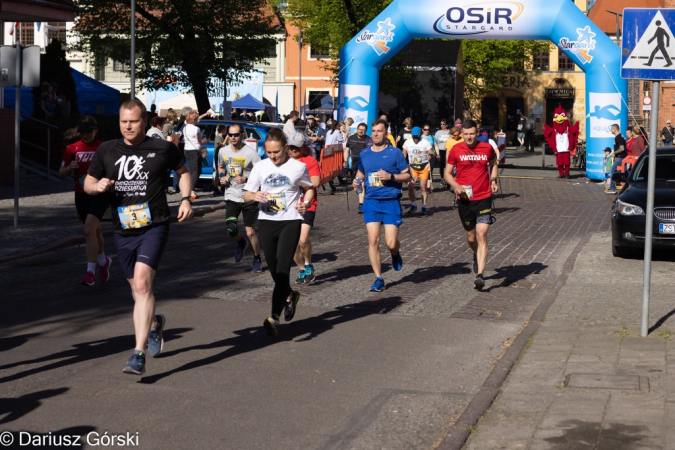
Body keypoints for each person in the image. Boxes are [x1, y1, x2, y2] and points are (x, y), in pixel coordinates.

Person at [84, 99, 194, 375]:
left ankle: (137, 354)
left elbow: (183, 172)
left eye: (133, 121)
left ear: (144, 121)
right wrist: (96, 186)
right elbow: (87, 181)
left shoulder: (163, 148)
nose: (128, 126)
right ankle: (155, 323)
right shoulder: (107, 149)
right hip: (123, 229)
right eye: (123, 121)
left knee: (143, 285)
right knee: (137, 290)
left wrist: (184, 200)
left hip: (154, 225)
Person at [243, 129, 314, 336]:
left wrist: (306, 203)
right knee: (274, 270)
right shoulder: (260, 167)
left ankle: (274, 317)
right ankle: (291, 295)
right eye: (269, 152)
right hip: (266, 222)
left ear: (286, 149)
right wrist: (255, 196)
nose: (273, 156)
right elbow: (247, 195)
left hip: (290, 221)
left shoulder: (298, 167)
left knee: (283, 268)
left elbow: (309, 188)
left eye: (277, 152)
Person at [352, 119, 410, 292]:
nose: (376, 134)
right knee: (373, 239)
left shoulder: (395, 153)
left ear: (386, 134)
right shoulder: (365, 154)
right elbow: (361, 173)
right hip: (371, 201)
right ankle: (378, 277)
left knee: (391, 243)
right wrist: (356, 182)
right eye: (374, 131)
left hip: (391, 201)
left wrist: (391, 177)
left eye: (379, 131)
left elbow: (407, 176)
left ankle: (394, 253)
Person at [444, 119, 499, 291]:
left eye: (472, 134)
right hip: (465, 198)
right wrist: (455, 185)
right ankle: (476, 254)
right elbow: (446, 173)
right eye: (466, 134)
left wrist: (494, 180)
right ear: (462, 134)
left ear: (478, 133)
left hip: (484, 196)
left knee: (482, 234)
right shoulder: (456, 149)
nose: (469, 137)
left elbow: (494, 164)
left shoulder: (486, 147)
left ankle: (480, 275)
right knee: (471, 237)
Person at [59, 116, 111, 286]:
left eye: (89, 132)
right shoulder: (72, 148)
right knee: (94, 231)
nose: (85, 135)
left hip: (100, 192)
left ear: (96, 130)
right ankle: (104, 262)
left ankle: (90, 272)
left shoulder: (104, 147)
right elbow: (61, 173)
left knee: (89, 229)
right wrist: (68, 168)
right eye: (82, 132)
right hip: (81, 193)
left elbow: (114, 169)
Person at [217, 123, 263, 271]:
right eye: (230, 135)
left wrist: (246, 179)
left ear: (242, 135)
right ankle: (241, 243)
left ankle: (257, 258)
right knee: (231, 228)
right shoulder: (223, 151)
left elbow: (261, 173)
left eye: (236, 135)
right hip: (231, 194)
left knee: (251, 232)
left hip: (248, 195)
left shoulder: (251, 154)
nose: (232, 138)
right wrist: (222, 177)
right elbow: (221, 167)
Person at [287, 133, 321, 283]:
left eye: (297, 147)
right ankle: (301, 268)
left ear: (304, 147)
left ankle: (308, 265)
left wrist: (294, 181)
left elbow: (315, 182)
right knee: (292, 243)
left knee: (303, 239)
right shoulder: (284, 162)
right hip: (289, 205)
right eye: (291, 146)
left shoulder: (310, 161)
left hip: (308, 204)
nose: (293, 150)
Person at [403, 126, 434, 215]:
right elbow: (403, 154)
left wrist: (430, 156)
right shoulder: (407, 142)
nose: (415, 138)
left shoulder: (425, 142)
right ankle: (413, 205)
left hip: (423, 167)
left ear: (420, 135)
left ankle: (424, 206)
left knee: (423, 186)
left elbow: (432, 153)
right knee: (410, 186)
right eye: (414, 137)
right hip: (413, 167)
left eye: (417, 137)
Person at [344, 123, 372, 213]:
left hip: (365, 164)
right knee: (356, 187)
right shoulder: (351, 138)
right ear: (357, 129)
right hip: (354, 164)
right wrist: (345, 161)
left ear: (366, 131)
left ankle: (361, 204)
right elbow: (347, 150)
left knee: (361, 182)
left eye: (363, 130)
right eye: (360, 129)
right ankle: (363, 197)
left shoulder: (368, 140)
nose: (361, 131)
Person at [183, 111, 210, 199]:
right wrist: (206, 141)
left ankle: (190, 190)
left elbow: (197, 118)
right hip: (195, 151)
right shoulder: (196, 129)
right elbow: (200, 141)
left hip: (187, 150)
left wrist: (205, 114)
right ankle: (191, 191)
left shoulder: (185, 127)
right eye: (197, 117)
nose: (198, 118)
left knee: (191, 171)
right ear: (194, 119)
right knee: (196, 171)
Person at [606, 124, 627, 195]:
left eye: (611, 129)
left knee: (612, 170)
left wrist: (615, 153)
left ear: (615, 129)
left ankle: (612, 188)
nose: (611, 130)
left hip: (621, 157)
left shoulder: (619, 138)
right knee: (622, 172)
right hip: (621, 157)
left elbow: (622, 148)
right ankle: (626, 185)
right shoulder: (618, 137)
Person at [435, 119, 451, 187]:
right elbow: (435, 142)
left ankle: (448, 179)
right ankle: (442, 179)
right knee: (441, 165)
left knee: (448, 165)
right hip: (440, 150)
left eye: (443, 124)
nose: (442, 126)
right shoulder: (438, 132)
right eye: (441, 124)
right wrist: (437, 153)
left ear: (446, 125)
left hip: (448, 150)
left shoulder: (450, 132)